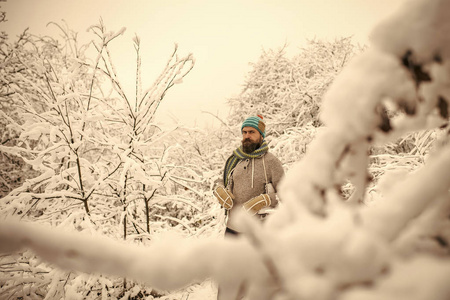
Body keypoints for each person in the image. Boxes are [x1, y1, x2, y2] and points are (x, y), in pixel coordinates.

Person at [214, 115, 285, 236]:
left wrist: (265, 200)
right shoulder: (235, 159)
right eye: (244, 132)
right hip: (232, 228)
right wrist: (219, 189)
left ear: (261, 135)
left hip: (259, 230)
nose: (247, 136)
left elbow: (286, 194)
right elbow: (223, 181)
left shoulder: (271, 162)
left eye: (252, 132)